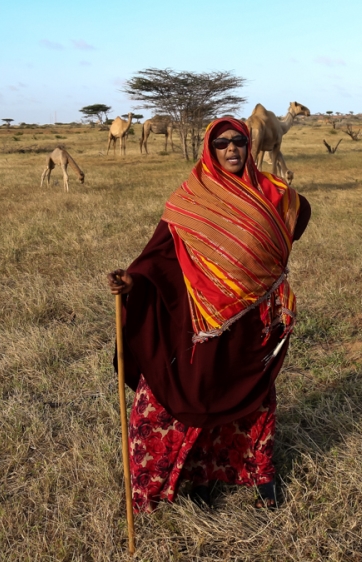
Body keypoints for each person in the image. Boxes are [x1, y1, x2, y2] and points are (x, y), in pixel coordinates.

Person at [107, 117, 311, 512]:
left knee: (255, 396)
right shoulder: (192, 198)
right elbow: (160, 254)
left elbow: (298, 218)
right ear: (209, 149)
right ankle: (197, 476)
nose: (232, 148)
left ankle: (261, 475)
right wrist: (134, 283)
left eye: (239, 141)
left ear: (249, 145)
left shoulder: (272, 191)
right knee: (192, 391)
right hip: (202, 317)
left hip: (254, 317)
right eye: (221, 143)